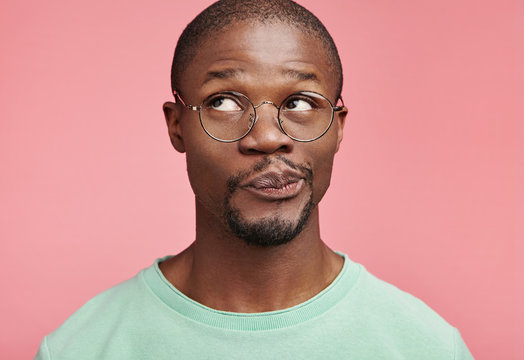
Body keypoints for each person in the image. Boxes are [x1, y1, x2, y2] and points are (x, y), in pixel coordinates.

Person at [35, 0, 473, 359]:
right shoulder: (80, 349)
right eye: (223, 101)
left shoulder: (427, 347)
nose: (267, 137)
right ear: (176, 127)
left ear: (338, 128)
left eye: (301, 102)